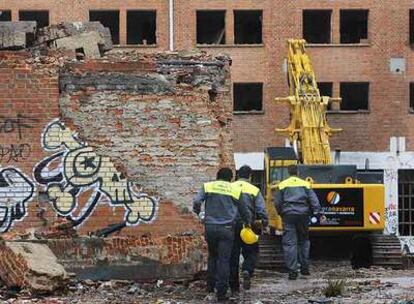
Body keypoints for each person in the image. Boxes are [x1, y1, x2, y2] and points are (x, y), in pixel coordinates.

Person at [193, 167, 251, 302]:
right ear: (231, 178)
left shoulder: (208, 186)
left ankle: (210, 289)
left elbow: (197, 202)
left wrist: (199, 214)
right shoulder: (235, 190)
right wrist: (247, 223)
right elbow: (244, 210)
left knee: (212, 257)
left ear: (217, 176)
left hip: (210, 227)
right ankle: (221, 292)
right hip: (227, 228)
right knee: (224, 260)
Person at [273, 165, 322, 280]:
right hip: (303, 215)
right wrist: (316, 212)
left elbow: (277, 202)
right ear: (298, 172)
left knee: (290, 243)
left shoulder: (282, 184)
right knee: (304, 241)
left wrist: (281, 213)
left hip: (288, 215)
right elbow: (314, 200)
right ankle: (304, 268)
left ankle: (292, 271)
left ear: (288, 172)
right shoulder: (305, 184)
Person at [230, 165, 268, 292]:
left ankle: (234, 285)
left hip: (231, 225)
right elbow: (261, 209)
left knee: (233, 254)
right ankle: (247, 269)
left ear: (237, 175)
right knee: (251, 252)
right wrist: (265, 222)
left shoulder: (230, 187)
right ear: (250, 176)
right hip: (247, 226)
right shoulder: (254, 189)